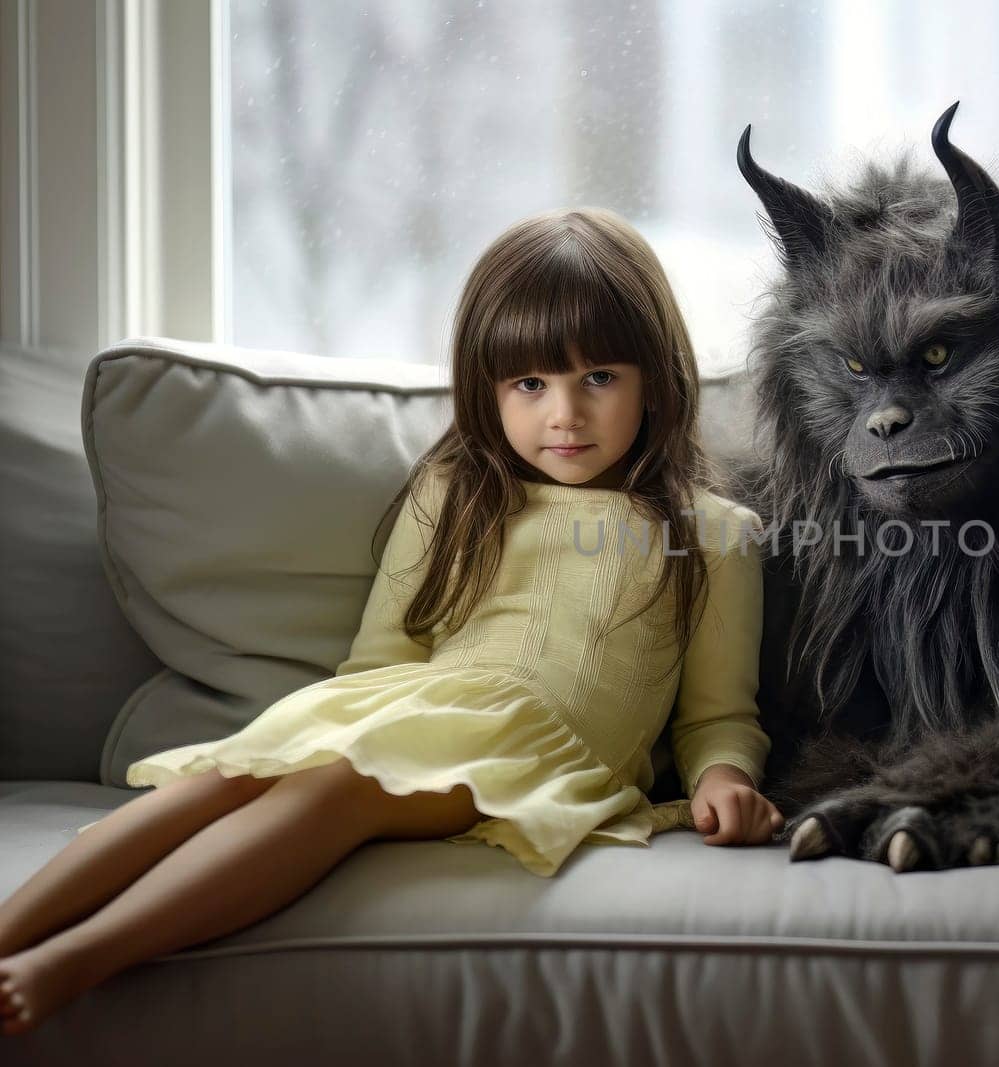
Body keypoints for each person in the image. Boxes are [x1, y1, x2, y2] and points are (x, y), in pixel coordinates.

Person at [0, 207, 781, 1036]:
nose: (565, 415)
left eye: (599, 378)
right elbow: (380, 661)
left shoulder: (713, 535)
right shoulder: (455, 493)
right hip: (411, 709)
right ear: (486, 387)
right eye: (529, 383)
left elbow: (717, 714)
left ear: (656, 377)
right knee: (218, 783)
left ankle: (68, 963)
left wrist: (722, 777)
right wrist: (328, 738)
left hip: (535, 749)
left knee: (339, 789)